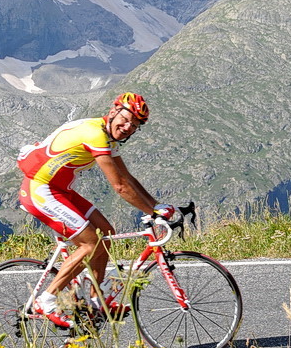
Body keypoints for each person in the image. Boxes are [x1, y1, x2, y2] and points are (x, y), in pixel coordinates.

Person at [16, 92, 174, 328]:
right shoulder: (95, 134)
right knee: (91, 243)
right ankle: (46, 299)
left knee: (106, 234)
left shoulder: (108, 137)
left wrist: (155, 206)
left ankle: (94, 302)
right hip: (40, 190)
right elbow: (120, 186)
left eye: (135, 125)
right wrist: (153, 214)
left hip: (60, 190)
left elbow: (127, 177)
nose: (128, 127)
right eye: (126, 119)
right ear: (113, 112)